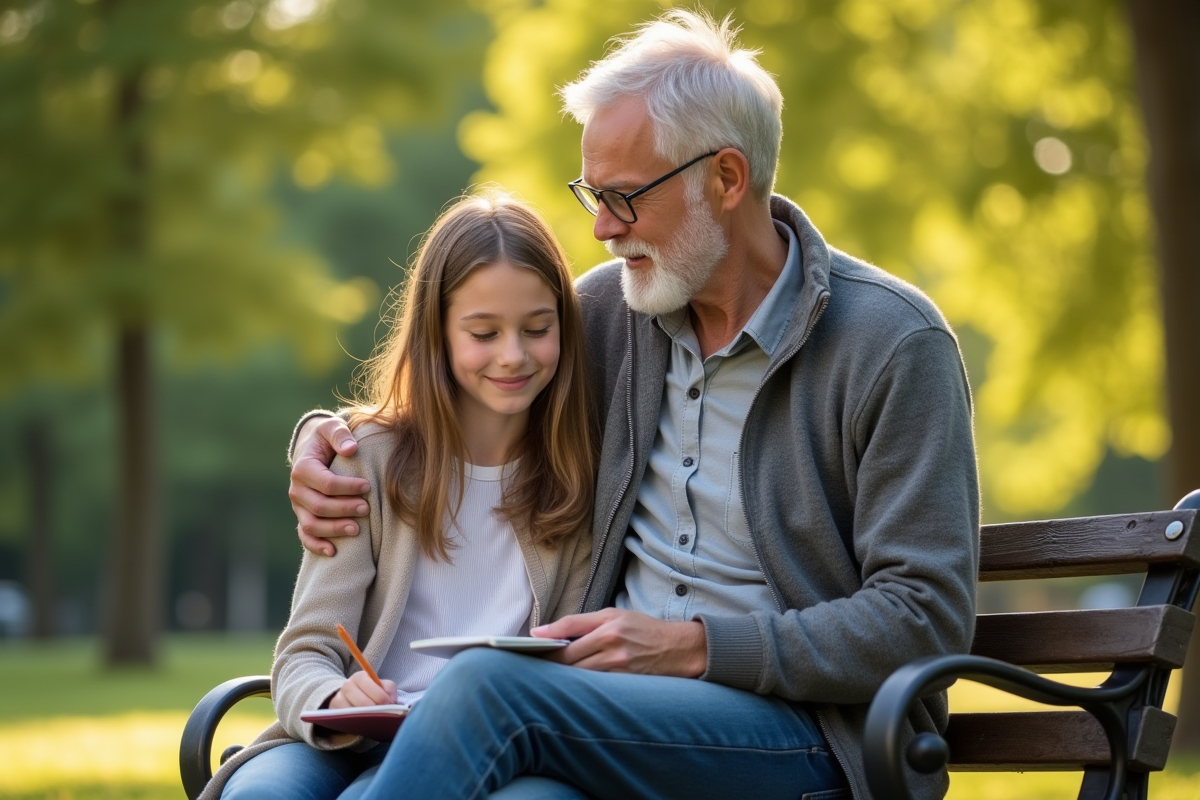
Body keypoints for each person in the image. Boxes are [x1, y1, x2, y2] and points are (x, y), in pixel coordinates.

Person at [288, 10, 979, 800]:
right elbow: (463, 387)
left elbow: (922, 615)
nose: (601, 228)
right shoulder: (611, 318)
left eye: (625, 197)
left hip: (809, 734)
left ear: (726, 179)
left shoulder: (892, 344)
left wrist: (694, 647)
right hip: (605, 718)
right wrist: (321, 441)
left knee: (488, 688)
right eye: (591, 193)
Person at [204, 192, 595, 800]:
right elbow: (305, 651)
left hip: (502, 749)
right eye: (483, 333)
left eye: (538, 329)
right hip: (348, 741)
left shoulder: (582, 473)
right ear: (436, 334)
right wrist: (334, 696)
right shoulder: (370, 459)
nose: (513, 355)